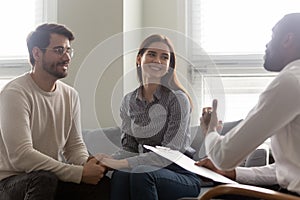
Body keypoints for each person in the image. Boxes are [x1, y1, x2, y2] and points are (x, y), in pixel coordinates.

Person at [0, 23, 110, 200]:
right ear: (37, 53)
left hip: (47, 177)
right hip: (9, 182)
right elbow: (21, 156)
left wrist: (89, 164)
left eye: (68, 50)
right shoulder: (14, 93)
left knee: (100, 183)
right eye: (59, 50)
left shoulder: (70, 95)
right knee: (44, 179)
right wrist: (78, 173)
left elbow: (74, 147)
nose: (66, 57)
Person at [196, 13, 300, 196]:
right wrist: (234, 173)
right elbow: (291, 168)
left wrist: (210, 131)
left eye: (272, 36)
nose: (267, 45)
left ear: (288, 39)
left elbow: (222, 156)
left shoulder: (290, 81)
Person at [97, 34, 201, 200]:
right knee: (121, 175)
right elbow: (129, 149)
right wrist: (105, 160)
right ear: (139, 59)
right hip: (146, 169)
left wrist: (121, 164)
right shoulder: (129, 101)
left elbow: (171, 152)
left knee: (140, 172)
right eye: (152, 54)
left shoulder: (178, 99)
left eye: (164, 57)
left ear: (169, 66)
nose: (157, 61)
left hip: (181, 174)